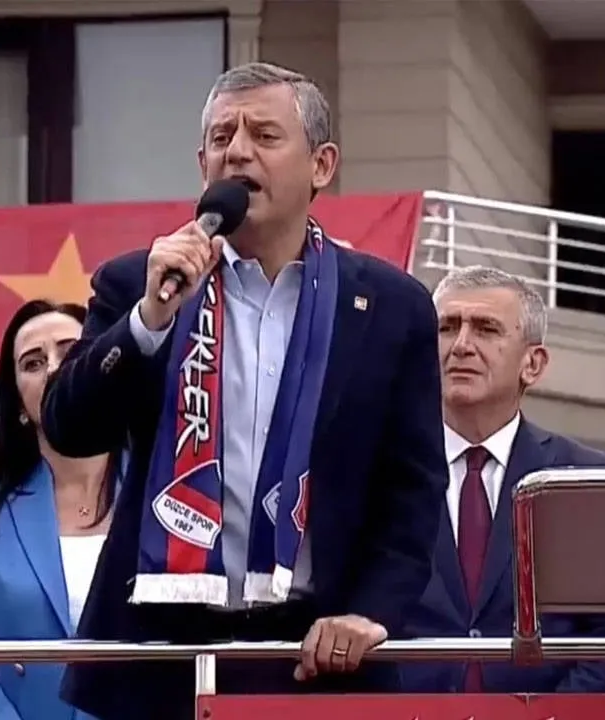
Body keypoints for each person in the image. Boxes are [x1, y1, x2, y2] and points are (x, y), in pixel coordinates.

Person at [43, 61, 447, 720]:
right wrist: (148, 321)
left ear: (321, 165)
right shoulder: (137, 283)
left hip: (317, 656)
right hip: (159, 659)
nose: (237, 151)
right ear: (201, 163)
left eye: (264, 135)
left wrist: (371, 613)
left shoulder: (390, 306)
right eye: (221, 137)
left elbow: (414, 490)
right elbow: (69, 427)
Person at [398, 266, 605, 694]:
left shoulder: (583, 478)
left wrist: (548, 715)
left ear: (532, 364)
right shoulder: (382, 467)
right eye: (447, 327)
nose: (461, 345)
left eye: (485, 329)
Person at [0, 300, 113, 720]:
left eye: (71, 351)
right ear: (18, 406)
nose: (53, 369)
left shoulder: (157, 498)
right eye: (33, 363)